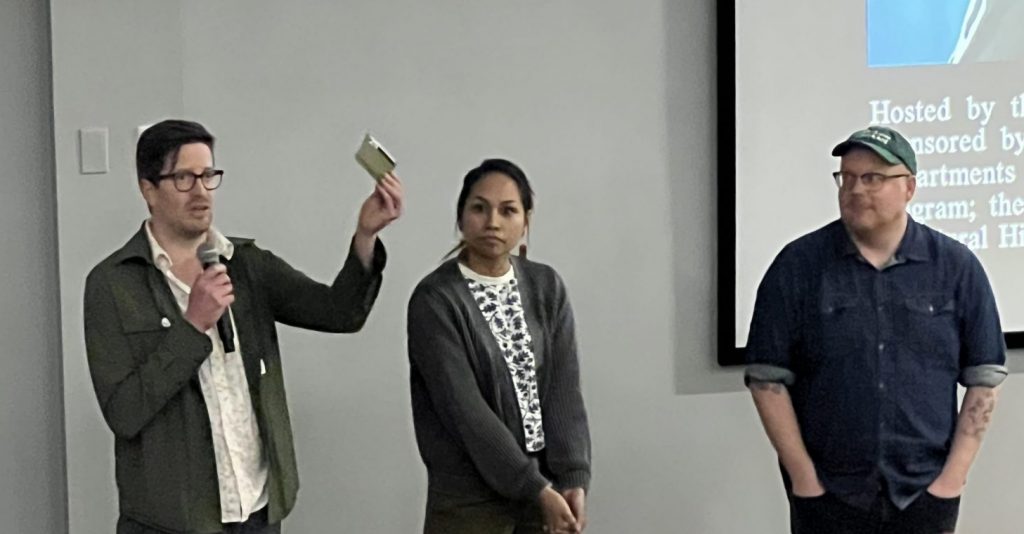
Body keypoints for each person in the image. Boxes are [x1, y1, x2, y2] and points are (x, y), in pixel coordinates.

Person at [83, 119, 403, 533]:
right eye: (183, 178)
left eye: (208, 175)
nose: (200, 191)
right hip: (171, 523)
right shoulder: (113, 284)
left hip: (257, 513)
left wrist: (365, 237)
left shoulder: (246, 264)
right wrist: (192, 326)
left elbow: (339, 312)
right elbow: (125, 413)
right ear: (148, 189)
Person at [745, 125, 1007, 533]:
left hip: (923, 493)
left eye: (873, 178)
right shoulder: (797, 266)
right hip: (827, 494)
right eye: (846, 177)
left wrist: (952, 479)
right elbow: (766, 379)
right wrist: (803, 478)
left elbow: (984, 377)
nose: (855, 189)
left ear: (909, 188)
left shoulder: (956, 268)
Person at [406, 159, 591, 534]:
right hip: (469, 505)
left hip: (543, 494)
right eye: (479, 208)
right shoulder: (435, 300)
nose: (493, 221)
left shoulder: (546, 287)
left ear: (526, 222)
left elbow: (563, 391)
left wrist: (573, 475)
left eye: (508, 210)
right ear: (460, 218)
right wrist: (535, 488)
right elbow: (466, 413)